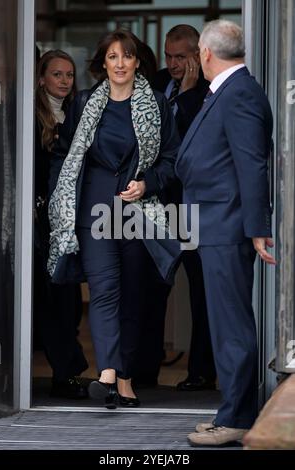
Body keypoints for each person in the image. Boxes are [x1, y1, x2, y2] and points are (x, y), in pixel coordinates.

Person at [47, 30, 181, 409]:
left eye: (126, 57)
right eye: (112, 57)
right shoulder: (86, 103)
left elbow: (173, 160)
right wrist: (62, 199)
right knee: (104, 292)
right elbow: (65, 153)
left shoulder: (156, 104)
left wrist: (148, 182)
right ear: (102, 64)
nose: (119, 64)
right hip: (94, 211)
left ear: (138, 62)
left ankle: (124, 377)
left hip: (138, 212)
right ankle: (107, 374)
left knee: (133, 297)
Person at [176, 20, 276, 446]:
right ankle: (231, 412)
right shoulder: (230, 92)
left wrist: (257, 228)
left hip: (228, 224)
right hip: (214, 222)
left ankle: (236, 418)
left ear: (206, 54)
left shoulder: (239, 94)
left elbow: (252, 164)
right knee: (224, 323)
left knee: (231, 325)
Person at [133, 25, 216, 392]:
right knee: (153, 288)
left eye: (181, 56)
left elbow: (192, 137)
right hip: (159, 205)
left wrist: (185, 93)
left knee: (200, 291)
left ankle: (200, 373)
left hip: (194, 204)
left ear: (198, 55)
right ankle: (144, 372)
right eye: (168, 55)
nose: (173, 63)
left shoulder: (208, 87)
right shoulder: (160, 80)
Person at [35, 50, 88, 399]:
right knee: (49, 298)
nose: (65, 81)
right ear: (42, 78)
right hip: (38, 222)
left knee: (68, 297)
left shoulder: (78, 112)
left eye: (69, 74)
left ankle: (67, 369)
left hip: (69, 219)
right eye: (57, 74)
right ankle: (65, 371)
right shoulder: (28, 115)